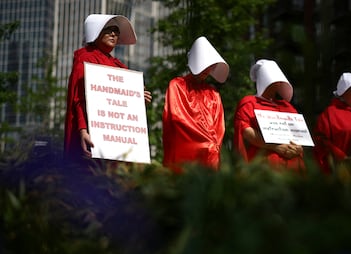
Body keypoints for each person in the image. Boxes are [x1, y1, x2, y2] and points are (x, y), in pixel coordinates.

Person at [64, 14, 152, 165]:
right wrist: (83, 130)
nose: (114, 34)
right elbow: (78, 99)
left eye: (116, 31)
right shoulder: (85, 57)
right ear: (96, 32)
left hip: (116, 141)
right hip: (92, 136)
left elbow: (121, 103)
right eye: (108, 30)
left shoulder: (119, 66)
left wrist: (138, 99)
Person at [162, 36, 229, 172]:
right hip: (185, 154)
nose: (207, 69)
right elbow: (177, 118)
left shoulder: (213, 93)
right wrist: (206, 141)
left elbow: (219, 126)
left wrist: (213, 145)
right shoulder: (177, 85)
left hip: (210, 154)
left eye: (211, 66)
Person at [233, 59, 304, 172]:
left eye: (279, 81)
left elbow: (299, 133)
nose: (278, 84)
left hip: (292, 167)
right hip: (264, 165)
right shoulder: (249, 103)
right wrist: (275, 147)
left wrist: (298, 148)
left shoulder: (287, 106)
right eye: (273, 81)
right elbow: (245, 130)